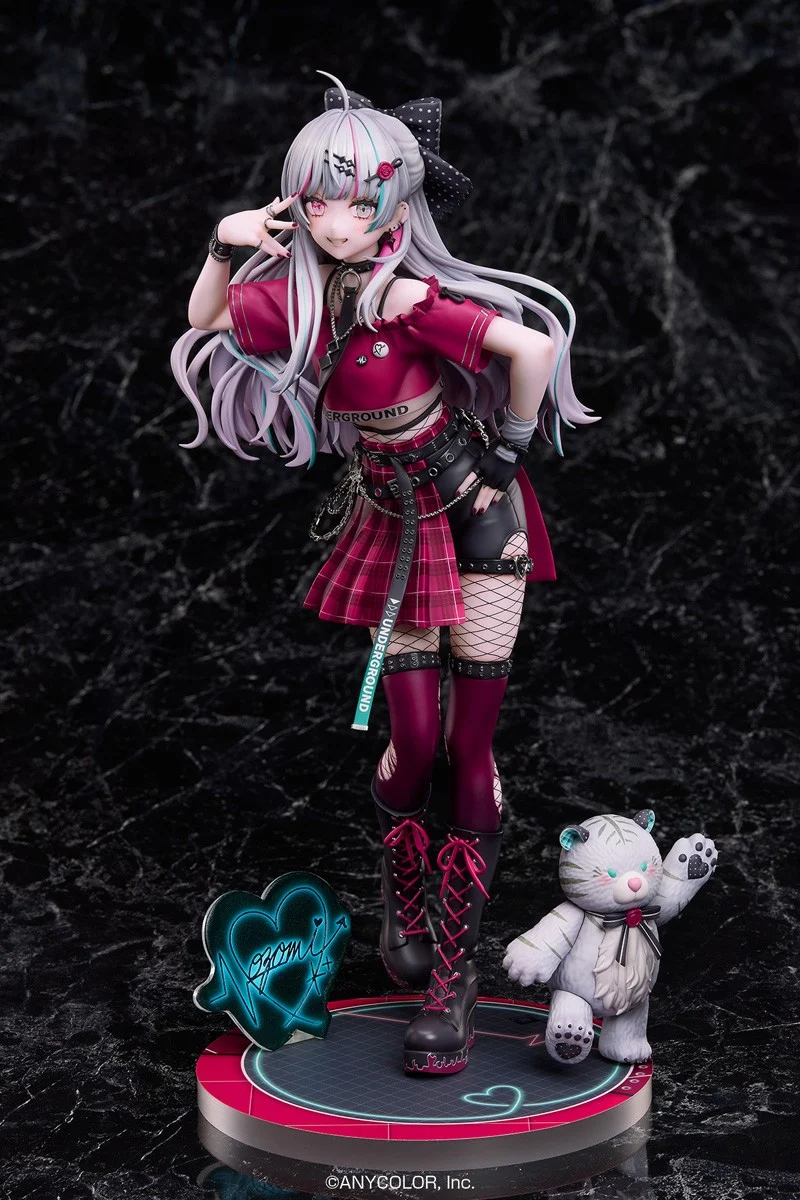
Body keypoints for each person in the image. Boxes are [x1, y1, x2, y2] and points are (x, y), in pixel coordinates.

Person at [172, 73, 596, 1075]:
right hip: (388, 523)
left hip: (476, 518)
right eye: (319, 200)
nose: (336, 221)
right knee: (410, 743)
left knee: (469, 745)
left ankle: (453, 976)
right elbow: (206, 321)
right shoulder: (296, 301)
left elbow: (529, 348)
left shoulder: (404, 296)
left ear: (395, 207)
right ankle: (403, 890)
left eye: (359, 204)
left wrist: (507, 456)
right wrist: (226, 243)